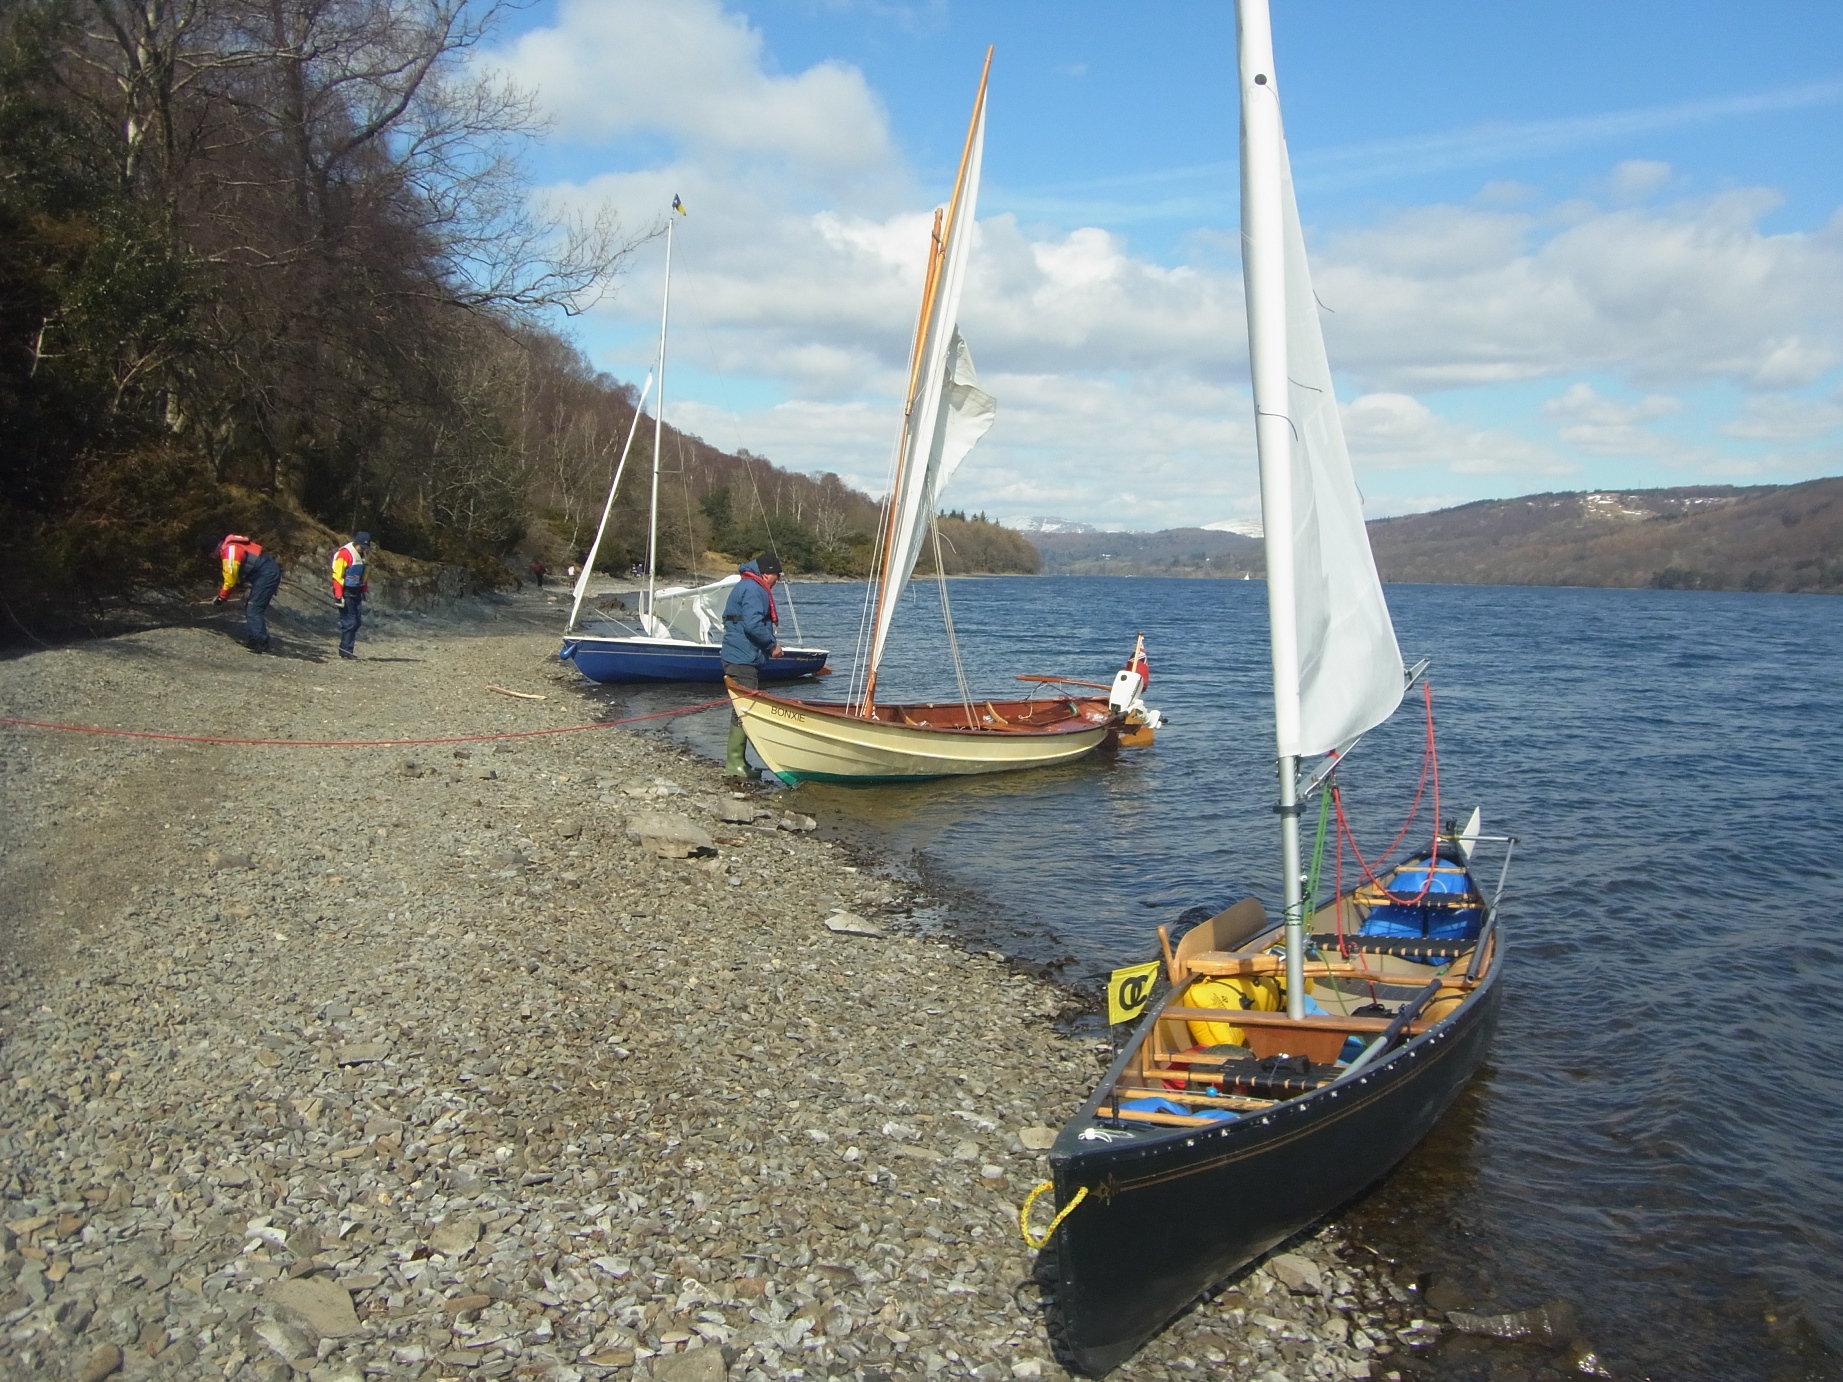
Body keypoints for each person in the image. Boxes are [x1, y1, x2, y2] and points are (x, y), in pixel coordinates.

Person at [720, 552, 784, 780]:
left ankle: (739, 760)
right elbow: (753, 625)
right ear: (767, 573)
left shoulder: (747, 585)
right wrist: (772, 645)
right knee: (743, 709)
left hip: (740, 655)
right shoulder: (754, 589)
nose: (778, 580)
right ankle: (734, 762)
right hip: (741, 658)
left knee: (741, 708)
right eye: (777, 575)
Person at [215, 534, 283, 653]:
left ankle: (260, 642)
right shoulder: (233, 546)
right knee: (252, 607)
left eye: (211, 554)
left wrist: (222, 597)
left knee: (253, 608)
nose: (213, 557)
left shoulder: (230, 551)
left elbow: (230, 579)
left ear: (214, 549)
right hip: (267, 571)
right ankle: (254, 639)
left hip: (267, 574)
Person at [330, 532, 372, 660]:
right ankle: (345, 650)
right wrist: (338, 595)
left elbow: (363, 575)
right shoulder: (344, 554)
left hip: (357, 591)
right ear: (356, 543)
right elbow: (337, 576)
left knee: (357, 621)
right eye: (361, 546)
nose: (363, 549)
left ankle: (347, 649)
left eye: (365, 547)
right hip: (346, 591)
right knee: (350, 621)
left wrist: (364, 590)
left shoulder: (362, 555)